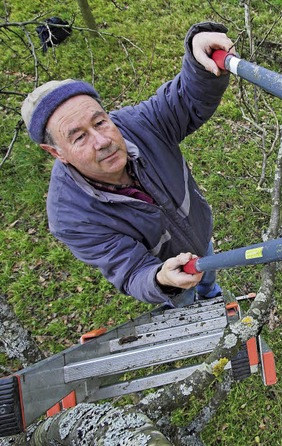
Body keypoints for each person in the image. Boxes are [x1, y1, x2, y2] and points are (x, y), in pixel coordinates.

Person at [21, 22, 235, 308]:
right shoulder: (70, 216)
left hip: (200, 234)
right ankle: (194, 309)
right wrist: (161, 279)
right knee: (184, 299)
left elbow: (185, 98)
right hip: (170, 272)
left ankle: (211, 293)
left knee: (207, 276)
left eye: (100, 122)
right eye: (80, 137)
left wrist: (199, 54)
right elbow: (131, 270)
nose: (102, 141)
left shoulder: (137, 125)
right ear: (56, 152)